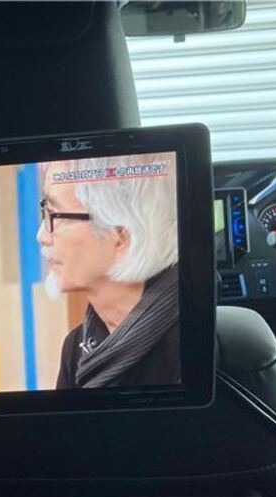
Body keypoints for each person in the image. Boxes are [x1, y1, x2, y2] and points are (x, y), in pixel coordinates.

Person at [36, 154, 180, 389]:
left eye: (56, 215)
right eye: (45, 210)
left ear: (121, 237)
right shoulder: (76, 347)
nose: (42, 236)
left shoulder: (187, 344)